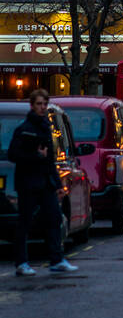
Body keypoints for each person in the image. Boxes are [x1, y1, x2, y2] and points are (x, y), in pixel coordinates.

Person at [9, 88, 78, 276]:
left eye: (44, 104)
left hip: (45, 182)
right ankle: (22, 263)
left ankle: (57, 259)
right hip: (28, 183)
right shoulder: (24, 129)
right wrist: (35, 155)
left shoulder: (46, 128)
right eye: (39, 104)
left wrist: (57, 185)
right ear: (32, 106)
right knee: (25, 222)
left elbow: (50, 161)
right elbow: (13, 154)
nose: (42, 107)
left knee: (54, 218)